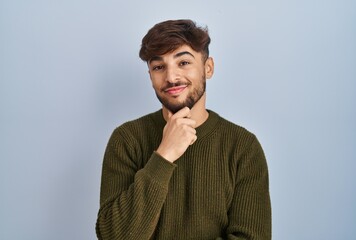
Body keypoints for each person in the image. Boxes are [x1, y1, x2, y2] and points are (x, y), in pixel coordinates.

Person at [96, 19, 271, 240]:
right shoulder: (127, 139)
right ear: (150, 76)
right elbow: (114, 236)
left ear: (208, 68)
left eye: (184, 62)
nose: (171, 77)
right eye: (159, 67)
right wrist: (164, 155)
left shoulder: (243, 146)